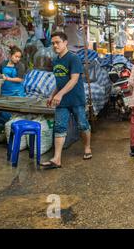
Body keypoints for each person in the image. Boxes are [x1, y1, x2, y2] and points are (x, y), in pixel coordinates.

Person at [41, 32, 91, 169]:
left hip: (76, 99)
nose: (55, 45)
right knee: (59, 127)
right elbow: (60, 81)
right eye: (53, 43)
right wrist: (53, 95)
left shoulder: (73, 58)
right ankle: (57, 159)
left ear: (65, 42)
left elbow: (74, 80)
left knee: (82, 124)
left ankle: (87, 147)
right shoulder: (56, 60)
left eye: (57, 42)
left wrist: (60, 94)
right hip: (61, 101)